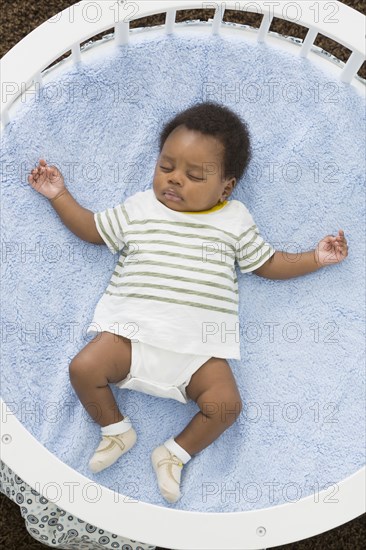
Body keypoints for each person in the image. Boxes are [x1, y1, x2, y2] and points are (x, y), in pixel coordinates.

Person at [27, 101, 348, 504]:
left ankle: (174, 454)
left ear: (225, 188)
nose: (174, 180)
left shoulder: (234, 220)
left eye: (194, 175)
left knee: (227, 406)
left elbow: (267, 263)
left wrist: (315, 258)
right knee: (83, 367)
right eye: (166, 168)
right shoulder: (141, 208)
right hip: (131, 337)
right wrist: (59, 195)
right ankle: (115, 430)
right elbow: (93, 229)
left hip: (198, 353)